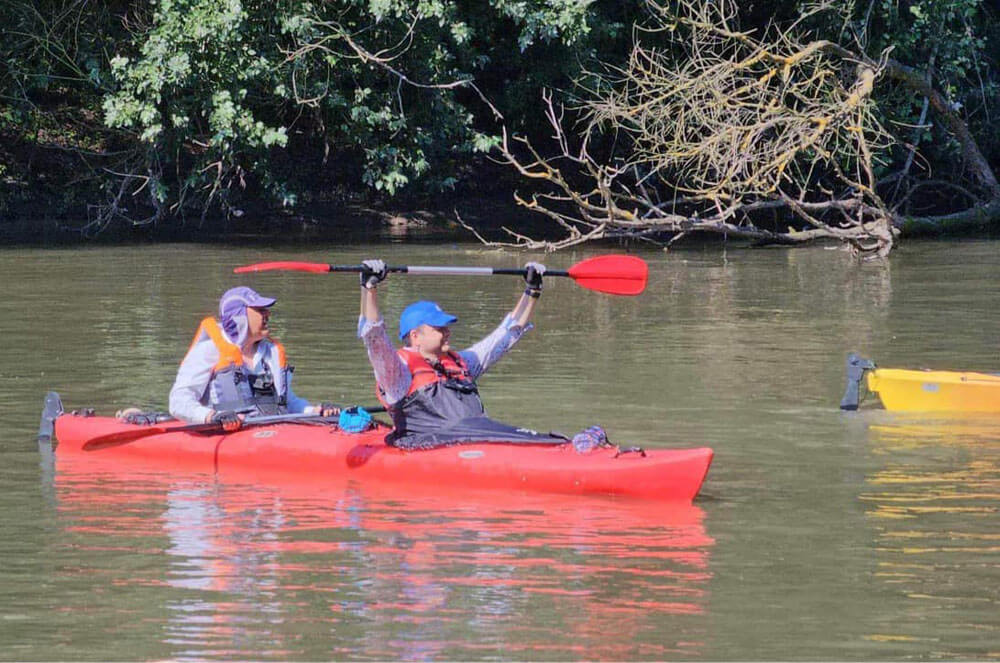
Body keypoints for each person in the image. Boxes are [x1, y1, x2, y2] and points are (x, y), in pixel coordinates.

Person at [357, 258, 602, 450]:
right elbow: (375, 337)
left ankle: (567, 447)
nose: (447, 332)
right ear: (415, 336)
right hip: (429, 447)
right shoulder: (398, 374)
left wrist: (532, 291)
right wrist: (369, 288)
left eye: (446, 326)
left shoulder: (461, 363)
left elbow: (506, 335)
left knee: (535, 438)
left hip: (478, 439)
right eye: (438, 328)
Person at [169, 286, 338, 430]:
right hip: (225, 435)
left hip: (272, 434)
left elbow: (289, 402)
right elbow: (178, 402)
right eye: (260, 310)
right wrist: (212, 416)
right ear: (239, 316)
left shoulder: (270, 352)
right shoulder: (208, 351)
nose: (267, 314)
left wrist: (316, 411)